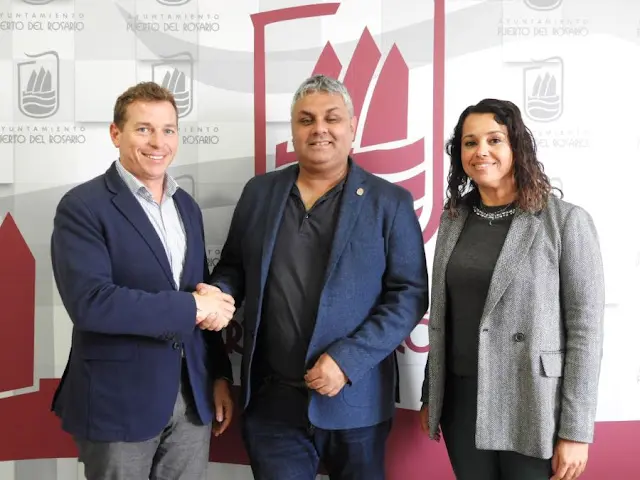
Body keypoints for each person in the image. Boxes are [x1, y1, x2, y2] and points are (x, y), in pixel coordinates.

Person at [197, 74, 429, 480]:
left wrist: (348, 360)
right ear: (293, 130)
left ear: (352, 127)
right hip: (272, 404)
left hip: (355, 402)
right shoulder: (259, 193)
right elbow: (234, 267)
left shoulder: (389, 202)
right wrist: (217, 294)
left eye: (331, 118)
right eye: (306, 120)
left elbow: (409, 294)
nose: (319, 128)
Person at [50, 82, 236, 480]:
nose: (158, 142)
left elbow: (201, 291)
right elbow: (91, 302)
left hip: (191, 399)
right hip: (118, 402)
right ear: (116, 134)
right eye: (144, 129)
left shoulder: (186, 206)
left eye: (168, 130)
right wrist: (193, 306)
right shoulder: (82, 207)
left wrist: (219, 374)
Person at [419, 98, 605, 480]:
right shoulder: (453, 218)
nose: (481, 151)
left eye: (494, 140)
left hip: (532, 400)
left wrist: (575, 430)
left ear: (516, 146)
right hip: (461, 400)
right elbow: (444, 315)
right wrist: (430, 392)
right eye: (470, 142)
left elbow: (586, 332)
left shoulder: (565, 221)